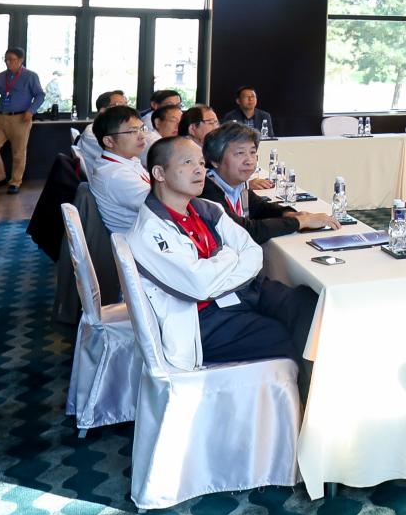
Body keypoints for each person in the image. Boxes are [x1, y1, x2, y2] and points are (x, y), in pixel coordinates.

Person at [127, 135, 317, 394]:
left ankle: (317, 397)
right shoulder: (150, 230)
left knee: (308, 303)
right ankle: (306, 408)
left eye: (201, 162)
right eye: (187, 162)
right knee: (281, 335)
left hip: (243, 292)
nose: (199, 170)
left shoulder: (207, 208)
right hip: (202, 319)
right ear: (159, 173)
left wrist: (215, 267)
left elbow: (253, 253)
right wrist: (227, 254)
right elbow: (199, 285)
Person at [201, 123, 334, 242]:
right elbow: (244, 231)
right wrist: (299, 222)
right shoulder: (206, 190)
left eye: (252, 152)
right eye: (240, 153)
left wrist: (288, 214)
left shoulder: (236, 185)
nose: (249, 161)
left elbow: (261, 208)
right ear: (215, 160)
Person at [0, 47, 47, 193]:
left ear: (20, 60)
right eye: (6, 59)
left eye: (11, 59)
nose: (8, 62)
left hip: (20, 118)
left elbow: (40, 95)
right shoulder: (0, 77)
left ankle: (15, 182)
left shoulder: (31, 76)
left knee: (18, 152)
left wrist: (31, 111)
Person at [88, 104, 154, 233]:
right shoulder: (116, 175)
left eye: (142, 129)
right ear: (109, 141)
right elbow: (162, 205)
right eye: (132, 131)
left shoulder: (127, 160)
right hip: (138, 239)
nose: (142, 136)